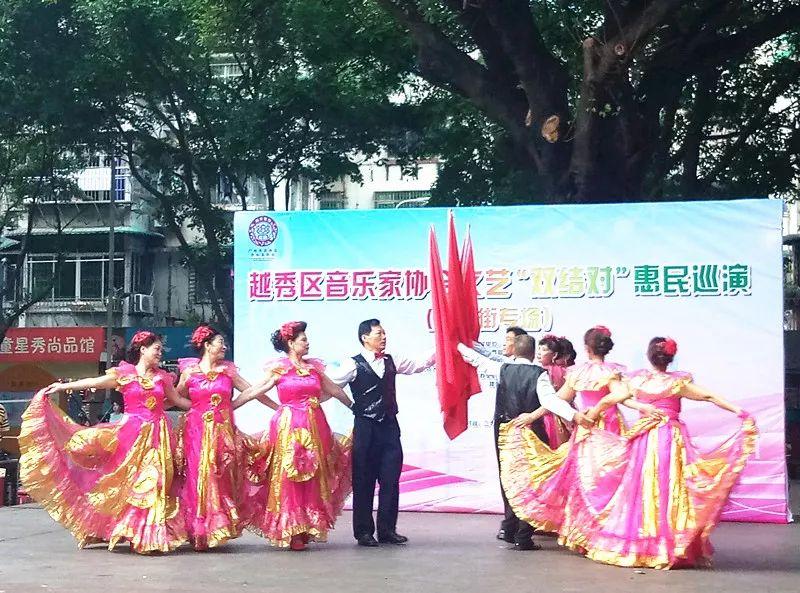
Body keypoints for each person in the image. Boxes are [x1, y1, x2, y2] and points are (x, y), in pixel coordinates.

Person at [565, 337, 758, 569]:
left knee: (640, 489)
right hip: (669, 439)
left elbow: (610, 398)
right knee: (669, 489)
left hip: (644, 439)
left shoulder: (639, 381)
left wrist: (593, 414)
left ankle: (641, 542)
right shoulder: (677, 384)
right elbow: (709, 396)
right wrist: (739, 411)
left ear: (649, 357)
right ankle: (668, 544)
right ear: (670, 358)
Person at [18, 331, 190, 553]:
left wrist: (212, 405)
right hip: (131, 436)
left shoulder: (162, 378)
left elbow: (176, 401)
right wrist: (63, 387)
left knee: (155, 481)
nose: (160, 353)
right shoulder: (124, 375)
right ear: (143, 349)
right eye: (156, 349)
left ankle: (149, 534)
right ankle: (121, 527)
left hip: (158, 435)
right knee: (126, 483)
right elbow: (95, 382)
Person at [497, 326, 659, 544]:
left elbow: (557, 400)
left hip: (587, 427)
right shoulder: (609, 372)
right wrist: (637, 406)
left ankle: (587, 533)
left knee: (585, 479)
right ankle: (607, 530)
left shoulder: (580, 373)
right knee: (611, 479)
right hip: (607, 426)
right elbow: (620, 397)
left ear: (586, 348)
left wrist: (532, 415)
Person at [458, 334, 593, 550]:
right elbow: (551, 401)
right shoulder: (538, 374)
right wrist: (575, 416)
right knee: (532, 481)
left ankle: (510, 529)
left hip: (505, 432)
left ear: (516, 351)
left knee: (510, 478)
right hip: (530, 431)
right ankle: (523, 535)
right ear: (532, 353)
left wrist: (456, 344)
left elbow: (476, 360)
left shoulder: (503, 369)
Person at [237, 321, 353, 551]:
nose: (307, 343)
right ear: (290, 343)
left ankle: (307, 526)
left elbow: (335, 390)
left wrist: (355, 407)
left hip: (314, 426)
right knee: (289, 474)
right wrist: (230, 407)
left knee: (313, 474)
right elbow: (254, 391)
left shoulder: (314, 369)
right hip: (288, 427)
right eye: (303, 339)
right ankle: (291, 529)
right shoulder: (279, 369)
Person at [327, 318, 434, 547]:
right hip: (365, 428)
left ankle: (387, 530)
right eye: (379, 334)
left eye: (385, 333)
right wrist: (346, 403)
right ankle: (364, 532)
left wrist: (443, 343)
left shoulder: (392, 361)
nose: (384, 337)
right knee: (363, 480)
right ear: (365, 338)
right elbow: (329, 385)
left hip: (389, 427)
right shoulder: (352, 364)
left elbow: (421, 363)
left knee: (390, 479)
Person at [174, 324, 276, 550]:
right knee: (199, 476)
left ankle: (217, 527)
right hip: (196, 430)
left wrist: (274, 406)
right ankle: (198, 530)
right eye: (220, 343)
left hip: (223, 430)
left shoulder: (228, 371)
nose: (224, 347)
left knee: (221, 475)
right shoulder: (189, 372)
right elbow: (176, 397)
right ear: (207, 345)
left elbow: (251, 390)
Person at [536, 335, 571, 448]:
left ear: (554, 355)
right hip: (565, 413)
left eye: (544, 350)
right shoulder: (564, 370)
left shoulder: (547, 372)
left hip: (549, 416)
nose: (539, 353)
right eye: (539, 349)